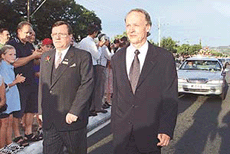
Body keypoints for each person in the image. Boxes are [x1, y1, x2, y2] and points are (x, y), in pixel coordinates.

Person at [111, 8, 178, 154]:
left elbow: (170, 97)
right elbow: (117, 95)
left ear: (147, 27)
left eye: (136, 25)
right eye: (128, 25)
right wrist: (115, 127)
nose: (131, 30)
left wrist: (166, 128)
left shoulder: (164, 58)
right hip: (122, 136)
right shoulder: (117, 58)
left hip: (151, 134)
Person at [38, 21, 94, 154]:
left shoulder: (82, 56)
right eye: (54, 34)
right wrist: (40, 111)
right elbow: (42, 85)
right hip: (50, 121)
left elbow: (87, 84)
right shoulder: (46, 57)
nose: (57, 38)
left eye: (61, 34)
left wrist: (75, 111)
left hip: (71, 121)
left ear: (70, 37)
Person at [7, 21, 42, 145]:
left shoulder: (29, 45)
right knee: (18, 111)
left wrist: (39, 56)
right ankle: (17, 135)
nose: (29, 34)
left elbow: (33, 62)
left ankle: (28, 133)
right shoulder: (11, 45)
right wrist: (32, 57)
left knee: (31, 109)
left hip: (31, 81)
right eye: (26, 32)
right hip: (18, 83)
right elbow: (14, 62)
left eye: (30, 32)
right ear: (19, 31)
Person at [0, 45, 26, 150]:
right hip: (6, 99)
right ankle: (3, 146)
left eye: (14, 54)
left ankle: (9, 143)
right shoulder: (3, 67)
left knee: (10, 121)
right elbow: (4, 85)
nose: (13, 56)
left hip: (11, 98)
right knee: (5, 123)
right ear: (3, 55)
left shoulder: (9, 66)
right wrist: (16, 81)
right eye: (10, 54)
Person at [78, 24, 106, 116]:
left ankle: (88, 108)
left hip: (83, 66)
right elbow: (97, 56)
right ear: (94, 33)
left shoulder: (82, 41)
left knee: (86, 87)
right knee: (93, 88)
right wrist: (100, 47)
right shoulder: (90, 42)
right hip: (92, 66)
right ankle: (91, 108)